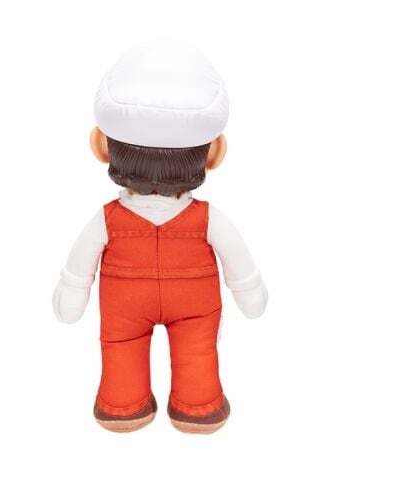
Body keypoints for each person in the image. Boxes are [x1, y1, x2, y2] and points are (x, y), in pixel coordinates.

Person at [53, 40, 268, 434]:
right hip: (195, 301)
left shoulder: (106, 220)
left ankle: (122, 405)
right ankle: (198, 407)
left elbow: (78, 270)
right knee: (197, 349)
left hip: (124, 301)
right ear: (215, 153)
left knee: (120, 346)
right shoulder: (210, 219)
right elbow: (240, 266)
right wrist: (250, 292)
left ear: (100, 146)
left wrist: (71, 293)